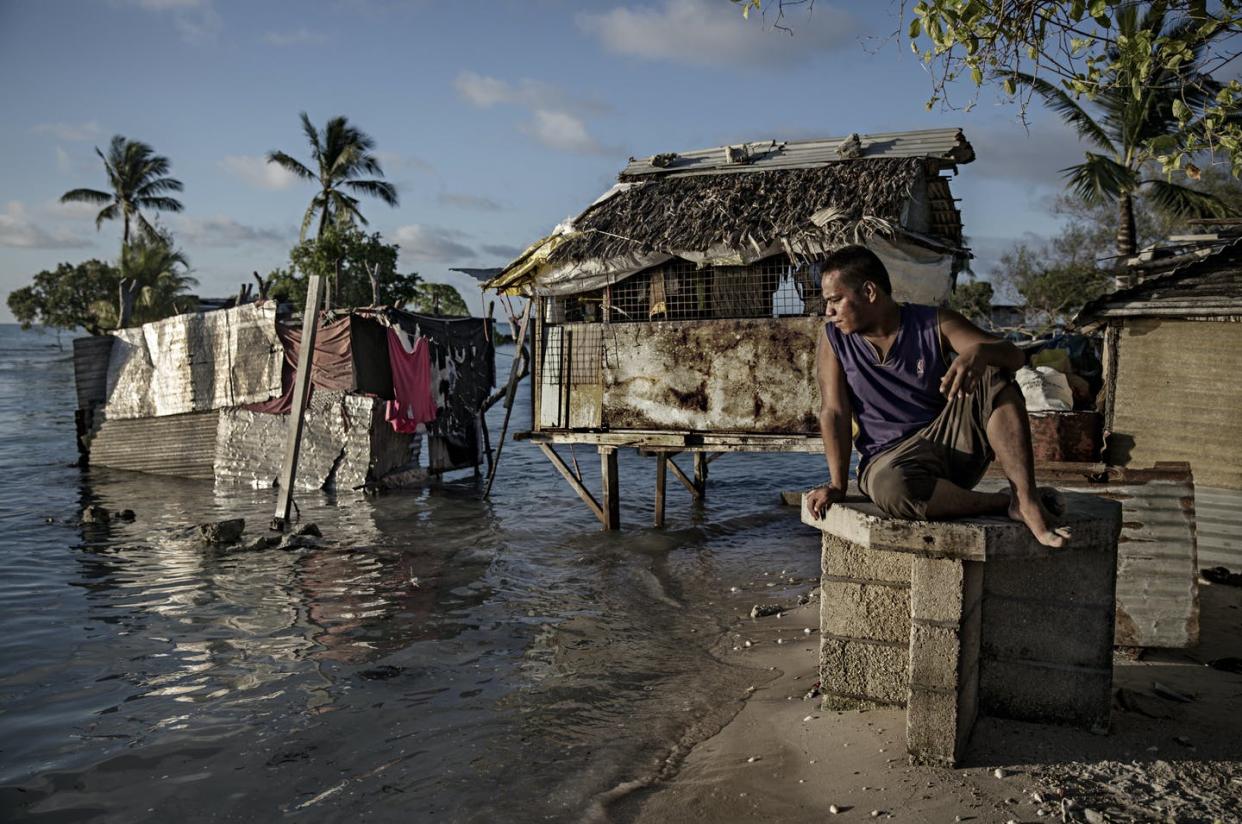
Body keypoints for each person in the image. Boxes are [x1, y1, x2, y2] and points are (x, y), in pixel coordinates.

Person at [804, 245, 1071, 548]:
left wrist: (981, 353)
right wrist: (837, 485)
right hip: (887, 462)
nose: (829, 311)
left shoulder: (934, 323)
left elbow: (1014, 357)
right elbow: (834, 412)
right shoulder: (834, 339)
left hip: (949, 449)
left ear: (869, 291)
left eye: (836, 300)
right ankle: (1002, 503)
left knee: (992, 373)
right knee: (894, 489)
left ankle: (1026, 498)